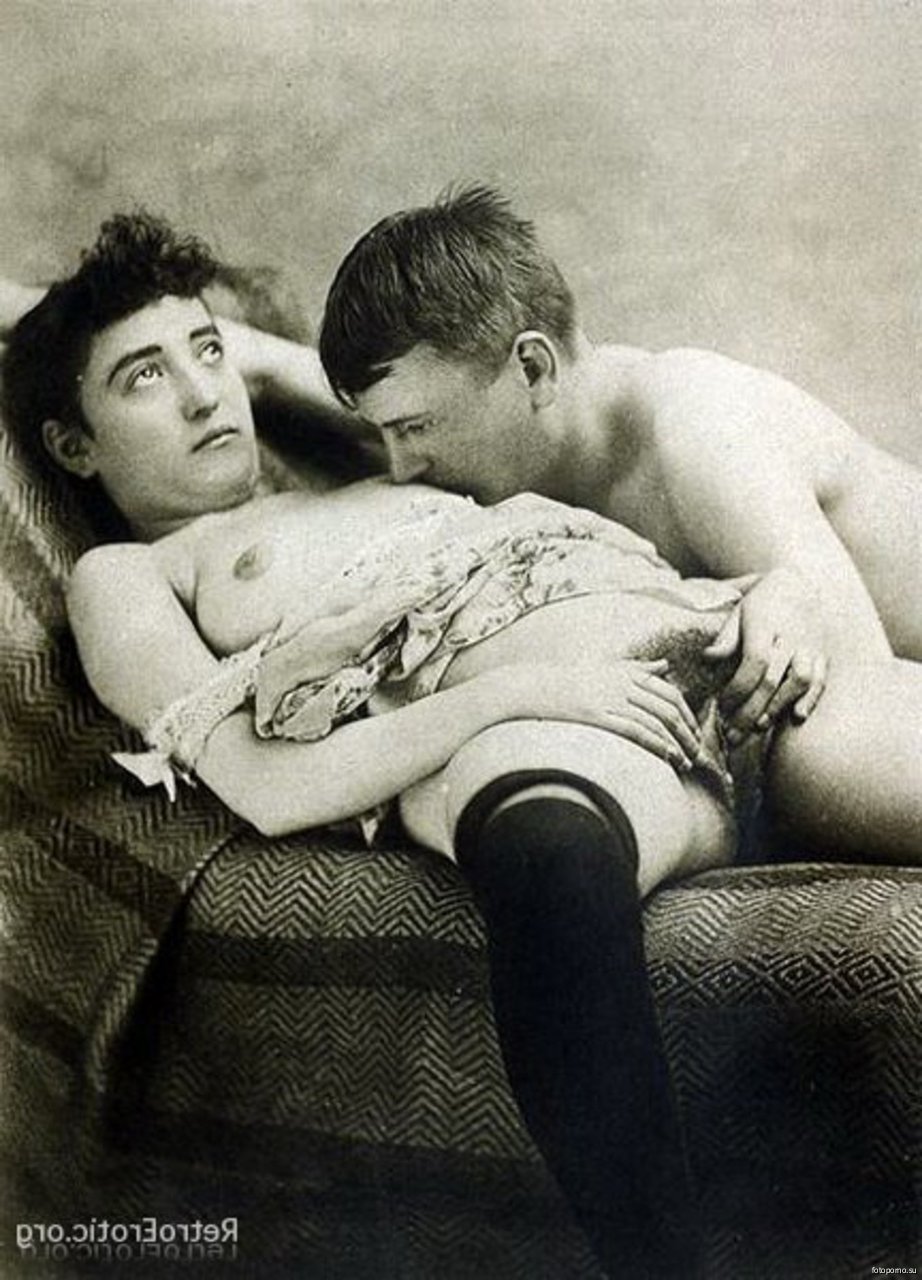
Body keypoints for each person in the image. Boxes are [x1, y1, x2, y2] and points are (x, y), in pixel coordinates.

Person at [1, 213, 918, 1274]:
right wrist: (525, 693)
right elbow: (266, 785)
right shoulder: (131, 575)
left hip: (722, 645)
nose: (204, 394)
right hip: (556, 730)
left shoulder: (386, 463)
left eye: (207, 352)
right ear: (72, 444)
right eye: (144, 378)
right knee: (550, 858)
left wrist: (783, 591)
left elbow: (334, 368)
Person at [315, 184, 922, 860]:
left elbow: (873, 715)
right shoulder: (532, 444)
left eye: (414, 428)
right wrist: (254, 368)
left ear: (532, 368)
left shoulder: (702, 434)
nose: (400, 467)